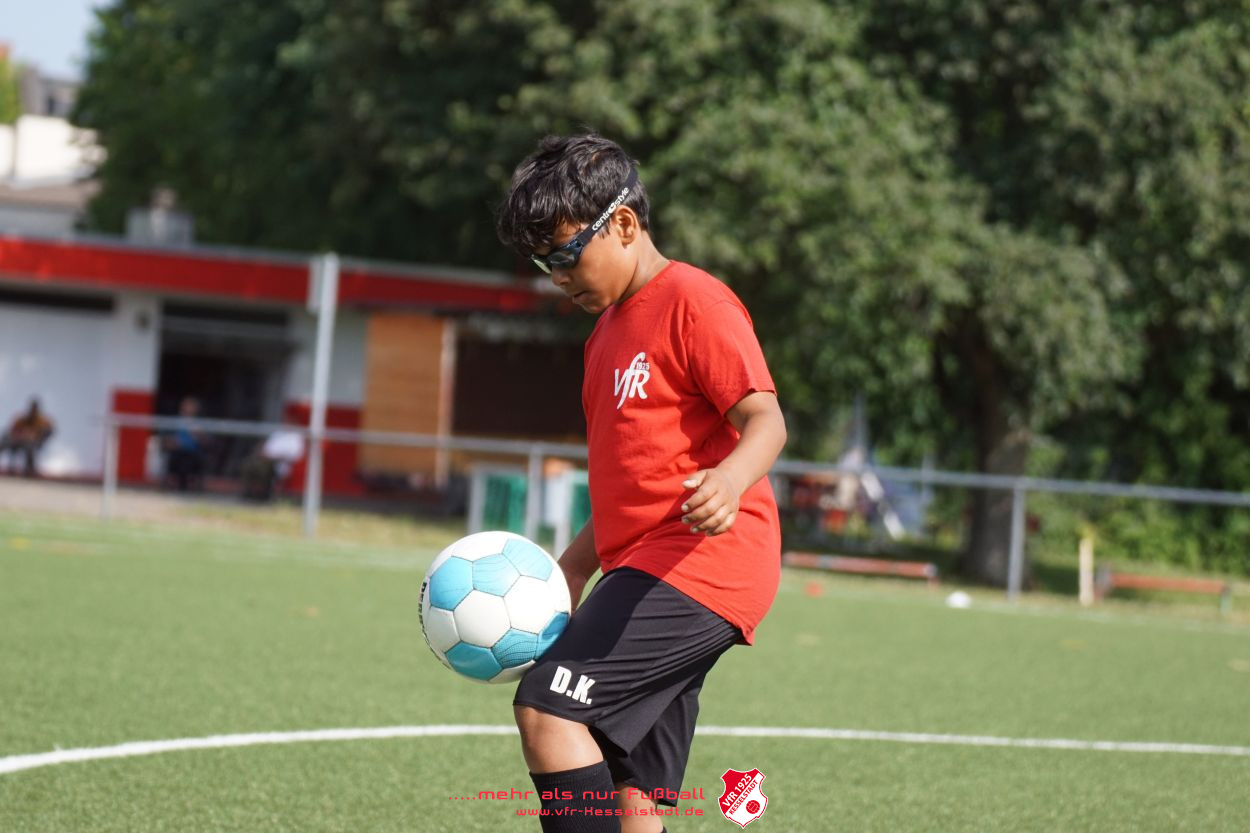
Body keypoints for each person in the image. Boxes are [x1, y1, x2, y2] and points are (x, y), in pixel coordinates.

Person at [496, 134, 788, 833]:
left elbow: (766, 420)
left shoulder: (695, 301)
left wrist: (730, 479)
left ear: (623, 224)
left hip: (703, 563)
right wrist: (573, 567)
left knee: (548, 709)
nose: (557, 277)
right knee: (633, 784)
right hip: (644, 564)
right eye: (543, 264)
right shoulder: (603, 336)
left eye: (566, 254)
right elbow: (629, 481)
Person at [239, 418, 305, 501]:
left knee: (263, 467)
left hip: (281, 464)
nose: (286, 425)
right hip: (265, 460)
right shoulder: (278, 434)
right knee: (249, 464)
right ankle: (249, 492)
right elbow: (265, 449)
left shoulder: (296, 438)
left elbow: (296, 455)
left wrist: (275, 457)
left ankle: (263, 493)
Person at [0, 398, 55, 477]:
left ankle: (29, 469)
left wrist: (41, 437)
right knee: (4, 441)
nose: (33, 411)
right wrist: (19, 435)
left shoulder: (42, 421)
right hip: (17, 440)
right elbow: (12, 430)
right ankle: (13, 467)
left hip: (32, 442)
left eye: (34, 409)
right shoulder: (22, 419)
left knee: (29, 446)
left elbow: (50, 430)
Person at [163, 396, 207, 491]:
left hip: (193, 454)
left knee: (189, 460)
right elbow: (166, 441)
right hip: (177, 452)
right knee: (179, 458)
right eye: (187, 407)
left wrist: (199, 435)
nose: (189, 410)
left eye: (191, 407)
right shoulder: (174, 422)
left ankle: (186, 486)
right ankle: (179, 485)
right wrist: (172, 442)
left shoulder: (200, 423)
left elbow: (206, 443)